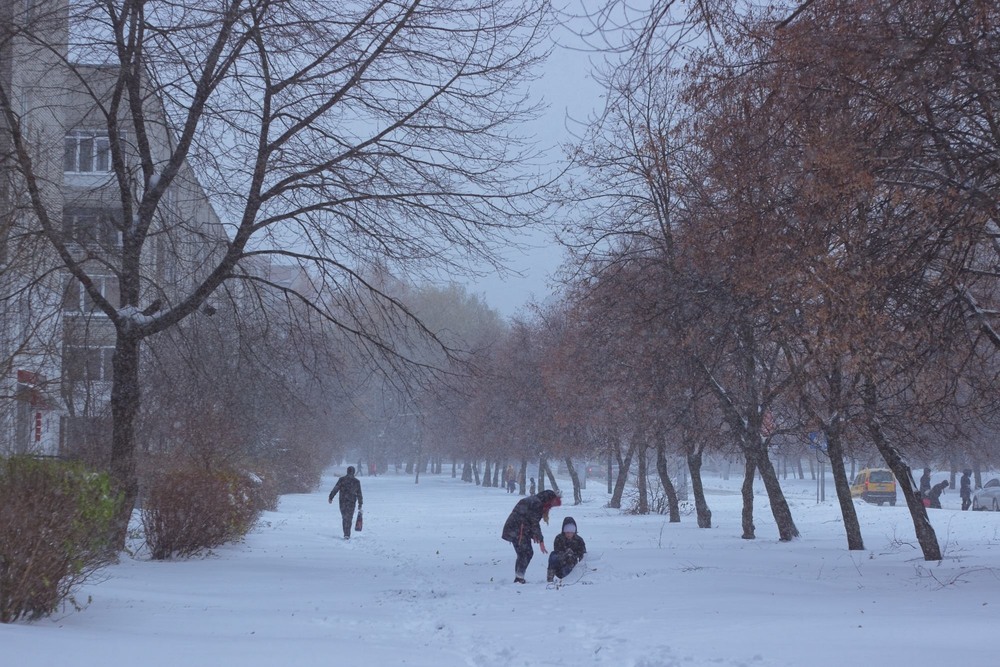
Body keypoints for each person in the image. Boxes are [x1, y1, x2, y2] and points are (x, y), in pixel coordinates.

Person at [501, 489, 561, 583]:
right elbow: (534, 523)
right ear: (548, 500)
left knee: (523, 553)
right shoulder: (537, 504)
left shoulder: (535, 501)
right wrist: (540, 540)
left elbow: (529, 520)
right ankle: (519, 578)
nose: (551, 507)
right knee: (526, 553)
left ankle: (519, 577)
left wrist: (534, 535)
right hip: (518, 530)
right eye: (552, 504)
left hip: (515, 529)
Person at [547, 516, 587, 583]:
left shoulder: (579, 540)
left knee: (570, 559)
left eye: (571, 531)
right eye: (567, 531)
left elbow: (583, 554)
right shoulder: (559, 538)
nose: (569, 534)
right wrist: (565, 554)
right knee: (553, 555)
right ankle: (550, 577)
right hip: (560, 566)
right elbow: (557, 551)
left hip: (572, 567)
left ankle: (568, 580)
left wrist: (573, 555)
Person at [328, 466, 363, 539]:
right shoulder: (356, 482)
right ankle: (347, 534)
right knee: (349, 518)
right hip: (351, 502)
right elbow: (359, 493)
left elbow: (336, 489)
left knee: (344, 518)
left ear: (347, 471)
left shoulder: (342, 480)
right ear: (353, 472)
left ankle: (345, 533)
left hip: (342, 501)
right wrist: (360, 504)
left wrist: (331, 497)